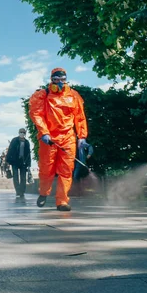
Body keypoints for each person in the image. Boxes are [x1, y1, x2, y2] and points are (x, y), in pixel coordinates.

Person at [28, 67, 88, 212]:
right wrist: (44, 132)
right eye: (57, 80)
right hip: (49, 138)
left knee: (66, 171)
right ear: (52, 80)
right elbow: (37, 114)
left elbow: (79, 117)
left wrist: (82, 136)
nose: (60, 82)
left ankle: (62, 201)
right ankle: (43, 193)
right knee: (46, 169)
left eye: (62, 80)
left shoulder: (73, 96)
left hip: (68, 138)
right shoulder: (42, 95)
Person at [6, 128, 32, 198]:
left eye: (23, 132)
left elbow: (28, 154)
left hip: (23, 162)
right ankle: (18, 191)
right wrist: (7, 161)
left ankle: (22, 191)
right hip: (15, 162)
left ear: (25, 134)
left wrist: (29, 164)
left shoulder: (27, 142)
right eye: (21, 132)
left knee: (23, 177)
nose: (22, 133)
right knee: (15, 177)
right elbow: (10, 150)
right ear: (18, 132)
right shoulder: (14, 140)